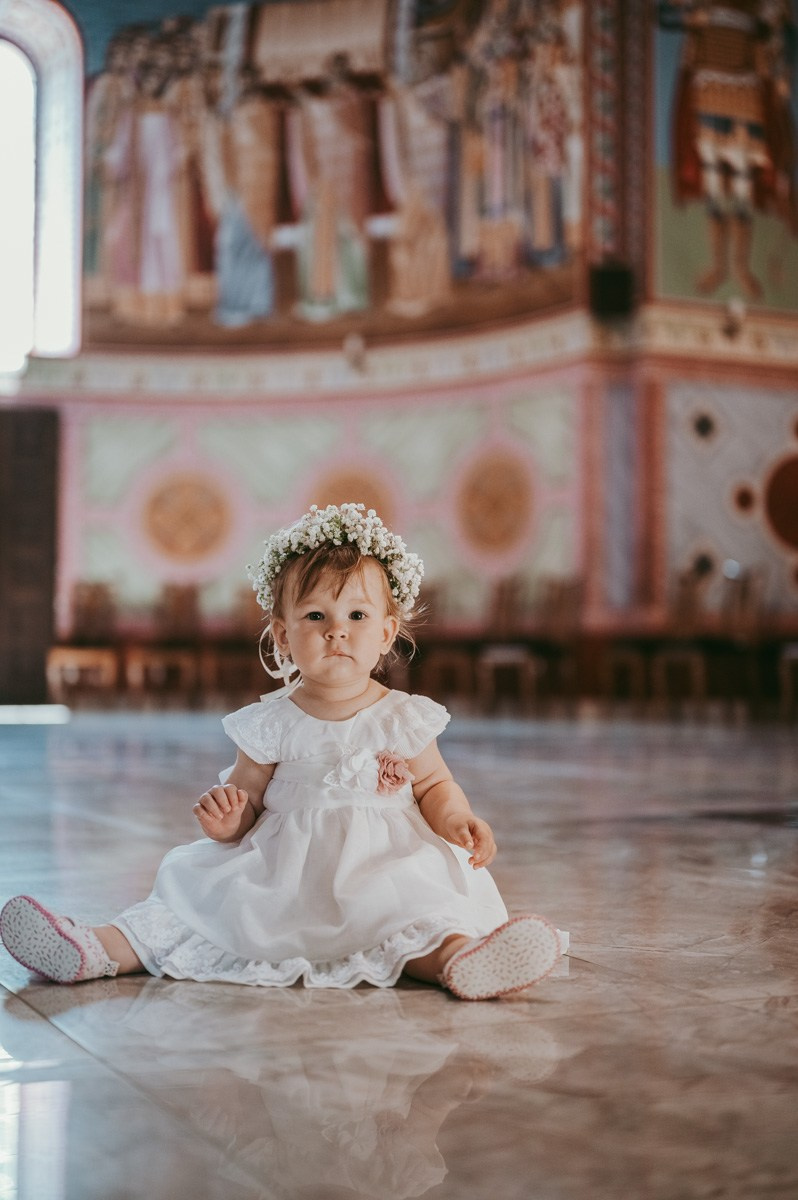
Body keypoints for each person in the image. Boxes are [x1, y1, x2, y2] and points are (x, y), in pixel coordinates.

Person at [0, 504, 568, 1000]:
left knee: (413, 916)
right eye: (315, 616)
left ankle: (459, 961)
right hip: (281, 872)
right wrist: (228, 820)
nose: (336, 631)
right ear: (282, 634)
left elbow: (434, 784)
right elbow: (247, 799)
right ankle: (95, 948)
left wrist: (457, 819)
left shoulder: (403, 716)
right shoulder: (270, 721)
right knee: (195, 906)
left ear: (386, 633)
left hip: (381, 866)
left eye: (357, 616)